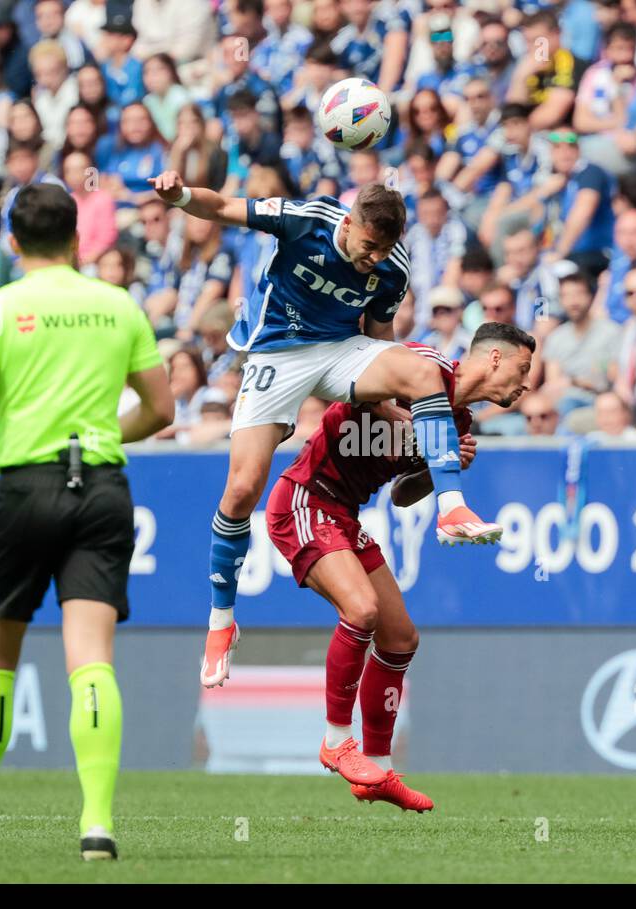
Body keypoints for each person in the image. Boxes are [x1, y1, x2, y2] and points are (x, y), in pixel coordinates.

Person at [0, 183, 174, 862]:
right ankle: (98, 825)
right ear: (79, 240)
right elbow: (162, 409)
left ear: (12, 244)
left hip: (24, 489)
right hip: (103, 489)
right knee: (92, 662)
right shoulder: (118, 305)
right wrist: (107, 433)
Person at [147, 168, 505, 692]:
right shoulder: (305, 220)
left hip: (339, 351)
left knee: (422, 369)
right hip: (278, 351)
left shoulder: (392, 270)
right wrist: (179, 195)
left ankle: (451, 508)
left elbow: (382, 339)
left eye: (385, 250)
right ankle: (222, 621)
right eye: (369, 246)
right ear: (351, 222)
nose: (375, 258)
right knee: (243, 487)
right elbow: (222, 208)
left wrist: (394, 412)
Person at [267, 323, 534, 811]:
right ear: (494, 358)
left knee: (400, 638)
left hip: (344, 516)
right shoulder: (418, 365)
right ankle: (334, 741)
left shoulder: (461, 424)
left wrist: (438, 466)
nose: (527, 382)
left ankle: (379, 771)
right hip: (306, 499)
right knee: (363, 611)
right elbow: (356, 399)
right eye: (523, 367)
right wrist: (418, 433)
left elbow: (401, 495)